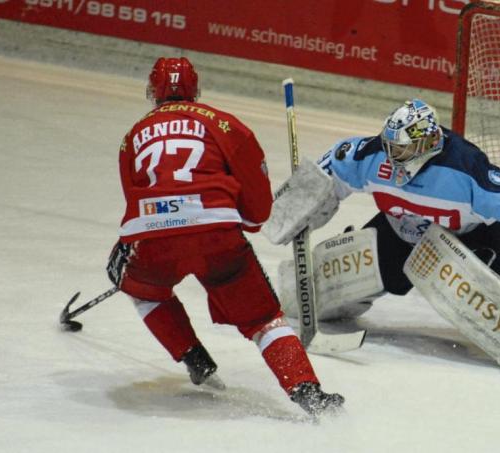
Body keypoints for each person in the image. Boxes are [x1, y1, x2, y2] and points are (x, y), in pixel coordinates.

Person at [106, 56, 344, 416]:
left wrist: (133, 248)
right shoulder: (226, 124)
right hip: (216, 235)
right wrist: (244, 223)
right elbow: (258, 206)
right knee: (264, 318)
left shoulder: (131, 137)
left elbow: (134, 198)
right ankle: (307, 392)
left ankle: (192, 356)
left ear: (152, 92)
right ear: (196, 90)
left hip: (152, 237)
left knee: (143, 291)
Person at [296, 99, 500, 375]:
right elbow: (335, 166)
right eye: (389, 146)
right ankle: (315, 293)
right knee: (358, 264)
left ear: (428, 144)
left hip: (473, 238)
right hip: (402, 230)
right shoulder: (373, 154)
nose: (392, 156)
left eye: (401, 150)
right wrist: (305, 198)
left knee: (463, 282)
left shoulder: (464, 169)